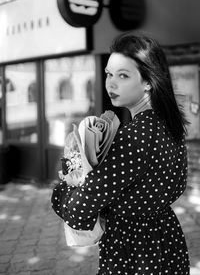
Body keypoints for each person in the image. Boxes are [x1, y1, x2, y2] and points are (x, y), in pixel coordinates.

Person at [51, 33, 190, 274]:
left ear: (148, 81)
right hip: (168, 241)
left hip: (133, 251)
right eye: (109, 74)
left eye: (123, 75)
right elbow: (177, 187)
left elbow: (78, 211)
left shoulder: (133, 137)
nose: (111, 83)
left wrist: (65, 186)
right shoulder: (172, 127)